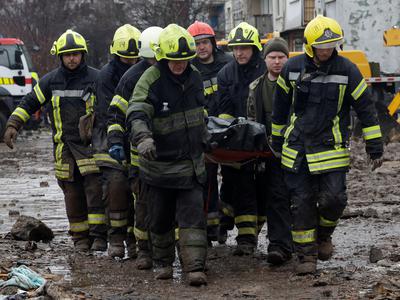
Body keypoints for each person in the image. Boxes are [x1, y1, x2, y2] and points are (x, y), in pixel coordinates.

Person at [271, 15, 384, 275]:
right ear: (310, 46)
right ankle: (306, 257)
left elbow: (365, 108)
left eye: (332, 45)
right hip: (297, 149)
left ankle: (323, 235)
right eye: (322, 46)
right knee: (301, 202)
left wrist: (374, 145)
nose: (327, 50)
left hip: (330, 147)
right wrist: (276, 140)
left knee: (335, 200)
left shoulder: (347, 70)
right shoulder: (292, 68)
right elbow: (279, 108)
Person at [3, 29, 107, 252]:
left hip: (90, 147)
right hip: (64, 148)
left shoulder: (96, 78)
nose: (72, 58)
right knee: (72, 192)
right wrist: (13, 124)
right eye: (67, 54)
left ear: (83, 54)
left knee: (95, 189)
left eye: (76, 54)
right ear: (60, 56)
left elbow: (110, 107)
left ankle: (99, 237)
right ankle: (80, 238)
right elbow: (30, 102)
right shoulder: (51, 81)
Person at [126, 24, 208, 286]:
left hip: (190, 164)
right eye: (174, 61)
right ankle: (162, 263)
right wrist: (143, 138)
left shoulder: (195, 76)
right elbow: (137, 111)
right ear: (163, 57)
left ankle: (194, 267)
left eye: (184, 60)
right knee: (159, 219)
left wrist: (207, 134)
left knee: (192, 218)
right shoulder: (150, 79)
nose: (180, 65)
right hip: (158, 167)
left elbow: (200, 112)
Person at [107, 26, 163, 268]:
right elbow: (116, 115)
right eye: (151, 59)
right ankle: (144, 250)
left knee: (172, 203)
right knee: (142, 203)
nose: (155, 63)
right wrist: (116, 141)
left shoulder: (177, 72)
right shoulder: (130, 78)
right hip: (139, 154)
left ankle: (170, 250)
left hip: (172, 152)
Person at [217, 22, 266, 255]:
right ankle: (244, 237)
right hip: (237, 141)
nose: (239, 52)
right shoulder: (226, 73)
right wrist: (230, 136)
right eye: (236, 48)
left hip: (264, 139)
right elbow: (224, 110)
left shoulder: (265, 69)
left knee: (264, 189)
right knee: (236, 185)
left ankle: (248, 233)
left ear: (255, 48)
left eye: (244, 48)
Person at [93, 24, 141, 258]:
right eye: (125, 59)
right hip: (109, 136)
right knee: (116, 186)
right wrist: (117, 142)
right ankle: (116, 239)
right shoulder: (106, 76)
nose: (130, 64)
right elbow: (106, 114)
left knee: (139, 189)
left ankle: (135, 240)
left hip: (137, 136)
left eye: (134, 60)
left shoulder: (144, 70)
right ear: (116, 55)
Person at [246, 37, 293, 265]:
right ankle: (278, 245)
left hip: (296, 151)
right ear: (265, 60)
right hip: (270, 153)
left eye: (281, 57)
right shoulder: (255, 88)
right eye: (272, 57)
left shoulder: (297, 84)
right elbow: (252, 120)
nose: (277, 62)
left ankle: (301, 243)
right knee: (275, 197)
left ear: (287, 58)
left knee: (299, 198)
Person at [187, 21, 232, 245]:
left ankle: (226, 218)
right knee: (207, 181)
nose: (201, 48)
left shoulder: (229, 63)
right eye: (196, 44)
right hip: (203, 133)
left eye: (205, 42)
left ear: (213, 43)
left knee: (233, 180)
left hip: (230, 131)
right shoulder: (189, 69)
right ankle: (214, 229)